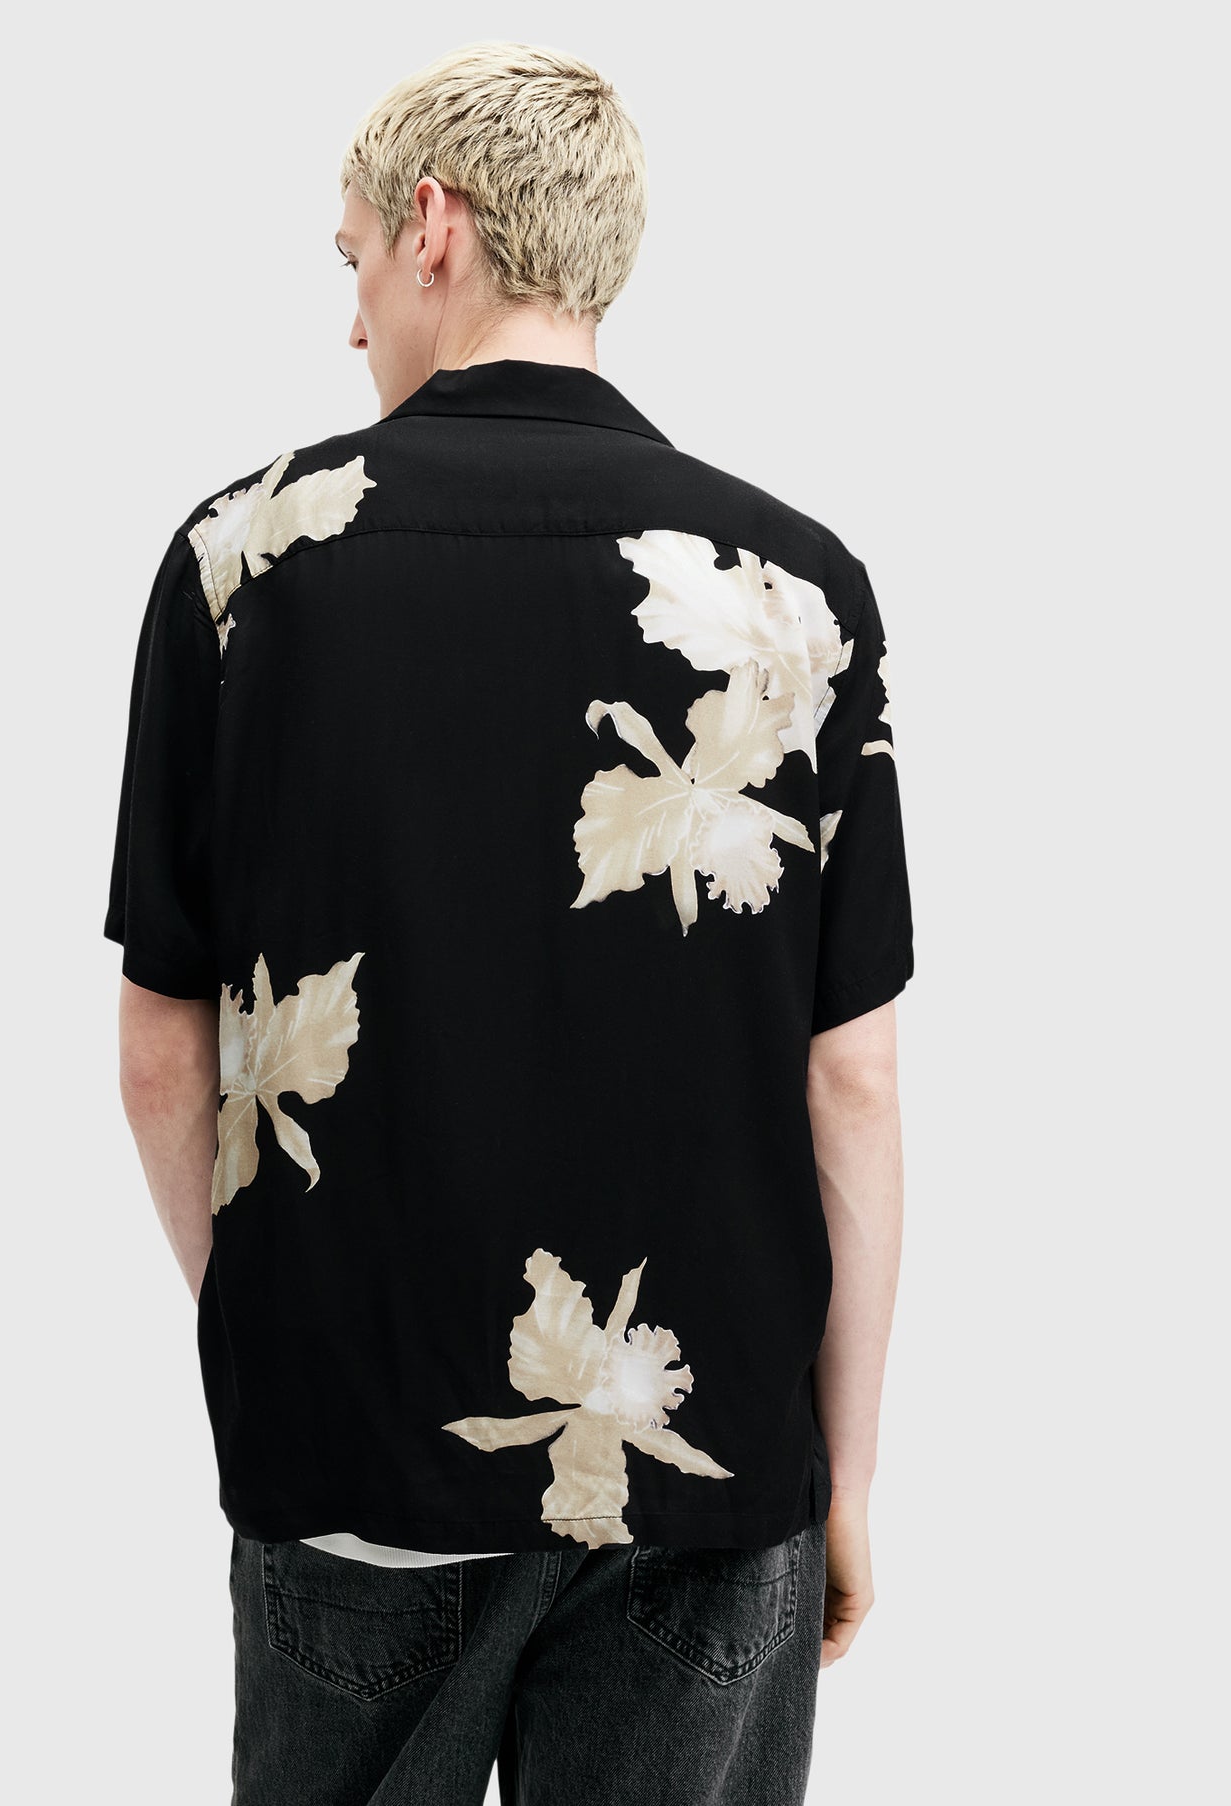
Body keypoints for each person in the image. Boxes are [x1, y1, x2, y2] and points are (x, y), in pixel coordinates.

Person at [105, 39, 912, 1806]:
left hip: (352, 1442)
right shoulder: (795, 590)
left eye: (350, 262)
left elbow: (165, 1047)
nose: (349, 323)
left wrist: (282, 1335)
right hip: (710, 1469)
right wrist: (843, 1471)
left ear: (433, 226)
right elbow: (847, 1081)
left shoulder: (245, 562)